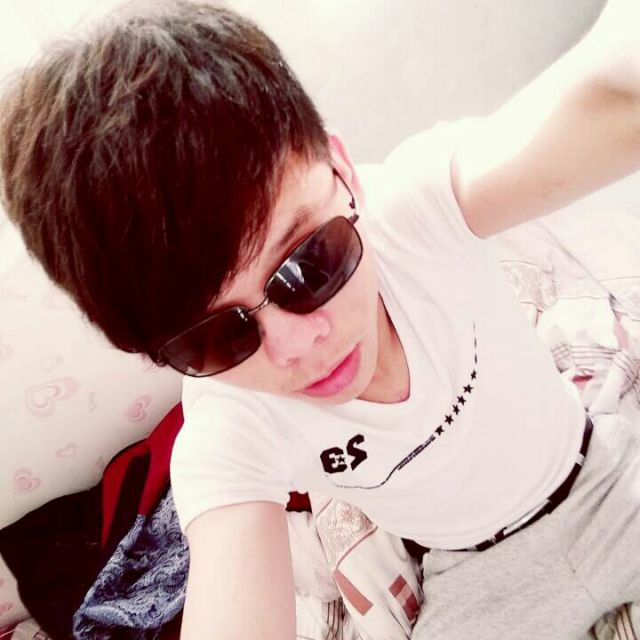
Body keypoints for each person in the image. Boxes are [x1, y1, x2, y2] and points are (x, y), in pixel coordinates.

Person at [1, 0, 640, 638]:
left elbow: (615, 98)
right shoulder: (230, 426)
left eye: (309, 262)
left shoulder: (418, 214)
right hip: (479, 575)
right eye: (217, 338)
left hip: (606, 474)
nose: (297, 345)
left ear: (344, 172)